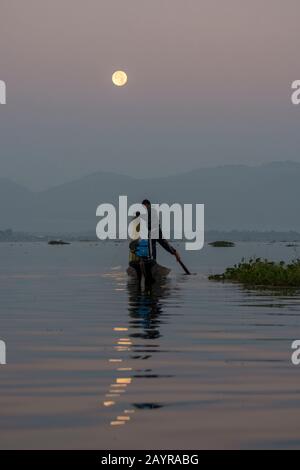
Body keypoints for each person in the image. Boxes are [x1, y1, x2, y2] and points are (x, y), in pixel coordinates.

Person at [128, 200, 181, 285]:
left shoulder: (154, 227)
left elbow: (164, 243)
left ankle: (149, 267)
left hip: (150, 259)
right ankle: (144, 266)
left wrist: (174, 252)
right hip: (142, 257)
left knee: (151, 251)